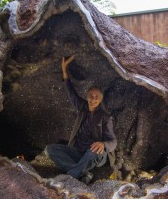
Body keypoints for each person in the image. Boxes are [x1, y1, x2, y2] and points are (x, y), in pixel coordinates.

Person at [44, 56, 117, 184]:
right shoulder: (82, 106)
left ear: (100, 100)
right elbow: (71, 92)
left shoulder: (105, 117)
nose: (93, 99)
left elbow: (113, 141)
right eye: (91, 96)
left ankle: (69, 178)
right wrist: (64, 71)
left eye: (96, 97)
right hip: (78, 151)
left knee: (92, 150)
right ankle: (82, 173)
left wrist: (103, 144)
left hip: (96, 154)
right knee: (49, 149)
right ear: (87, 96)